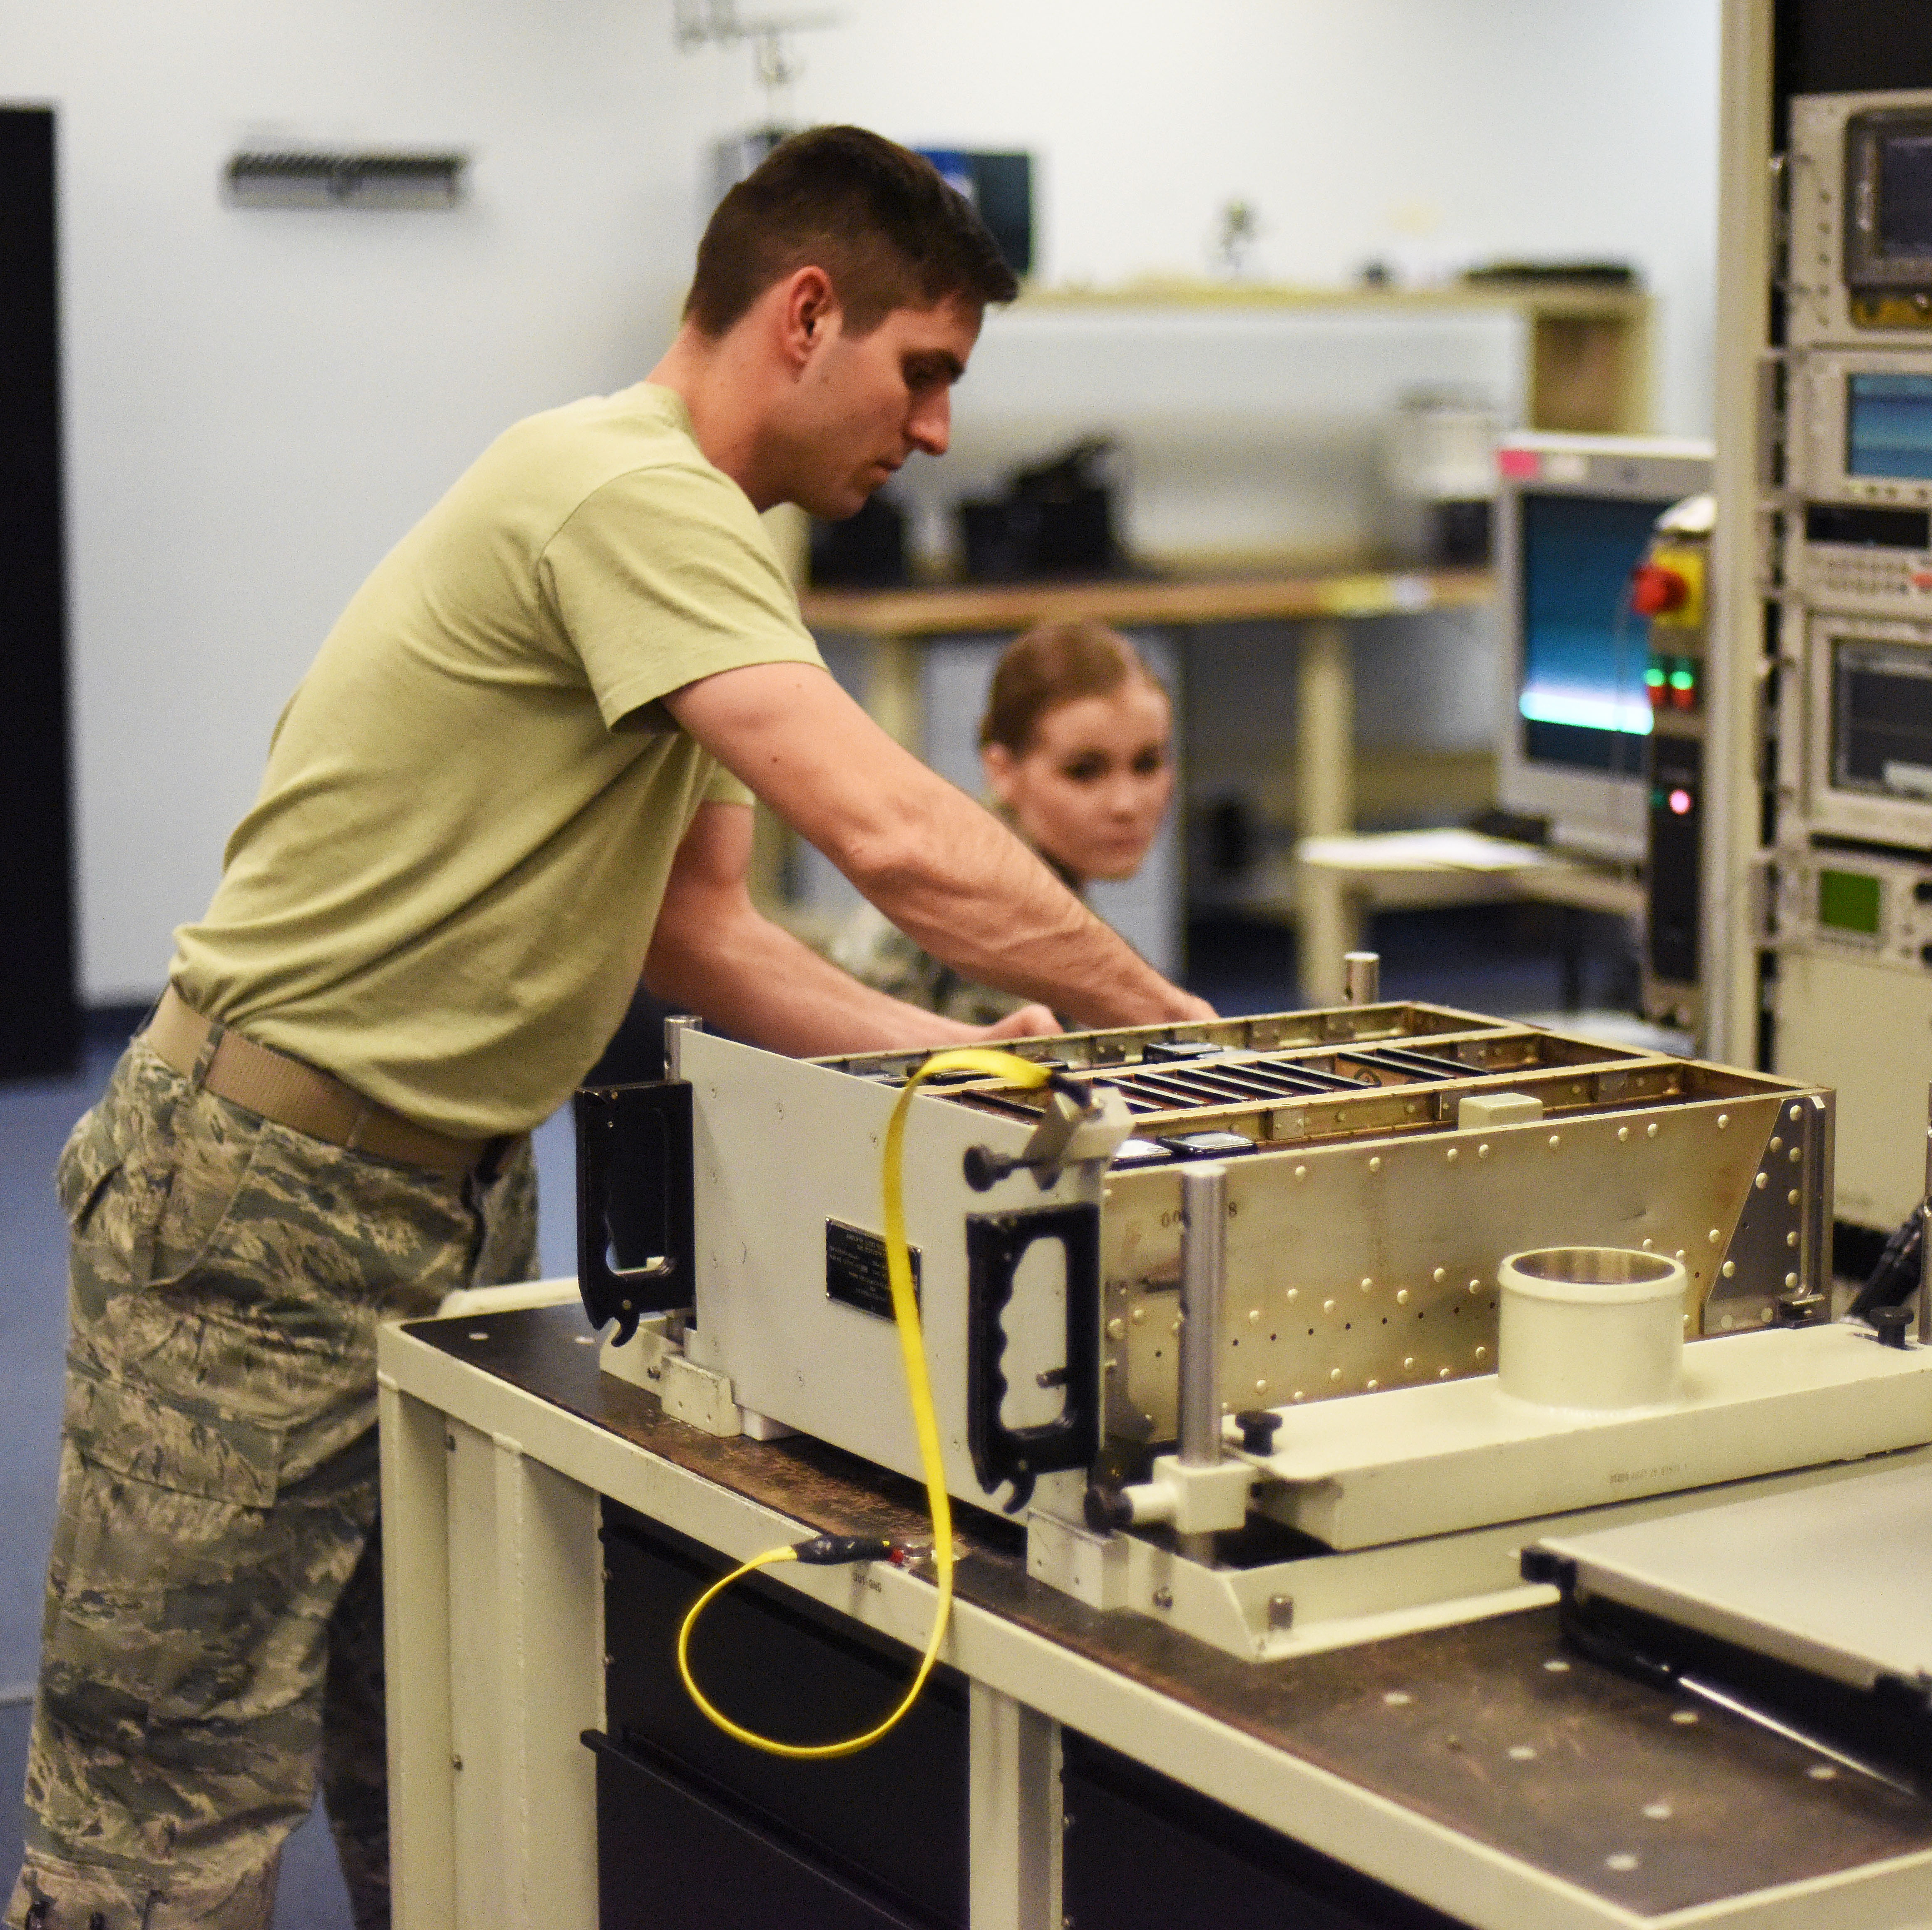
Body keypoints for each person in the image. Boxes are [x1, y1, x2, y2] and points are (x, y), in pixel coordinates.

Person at [9, 127, 1210, 1930]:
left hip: (445, 1203)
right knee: (166, 1828)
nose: (940, 430)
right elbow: (888, 834)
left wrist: (945, 1050)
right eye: (925, 371)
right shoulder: (617, 491)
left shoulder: (717, 545)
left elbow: (697, 929)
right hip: (260, 1204)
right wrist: (1165, 1024)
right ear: (807, 314)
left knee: (453, 1768)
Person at [836, 619, 1176, 1022]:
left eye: (1147, 764)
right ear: (1002, 770)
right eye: (1084, 771)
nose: (1126, 803)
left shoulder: (1018, 878)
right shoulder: (997, 912)